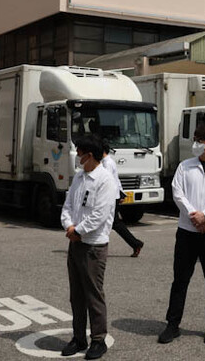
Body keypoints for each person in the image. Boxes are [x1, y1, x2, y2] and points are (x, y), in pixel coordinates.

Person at [158, 126, 205, 346]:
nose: (195, 144)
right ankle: (173, 324)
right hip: (187, 231)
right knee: (180, 279)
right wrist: (194, 216)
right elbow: (177, 193)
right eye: (195, 140)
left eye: (199, 141)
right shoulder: (185, 166)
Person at [60, 136, 117, 360]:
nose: (77, 157)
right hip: (75, 242)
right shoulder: (79, 177)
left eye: (79, 152)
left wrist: (78, 231)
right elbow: (67, 205)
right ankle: (78, 337)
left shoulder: (104, 180)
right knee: (76, 295)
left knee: (93, 294)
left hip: (93, 245)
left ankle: (98, 340)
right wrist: (68, 225)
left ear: (89, 155)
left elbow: (100, 215)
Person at [101, 143, 145, 258]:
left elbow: (108, 182)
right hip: (114, 196)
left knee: (112, 222)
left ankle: (135, 243)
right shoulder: (109, 162)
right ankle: (135, 243)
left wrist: (117, 195)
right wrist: (121, 193)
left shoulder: (107, 163)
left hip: (110, 197)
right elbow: (116, 179)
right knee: (113, 222)